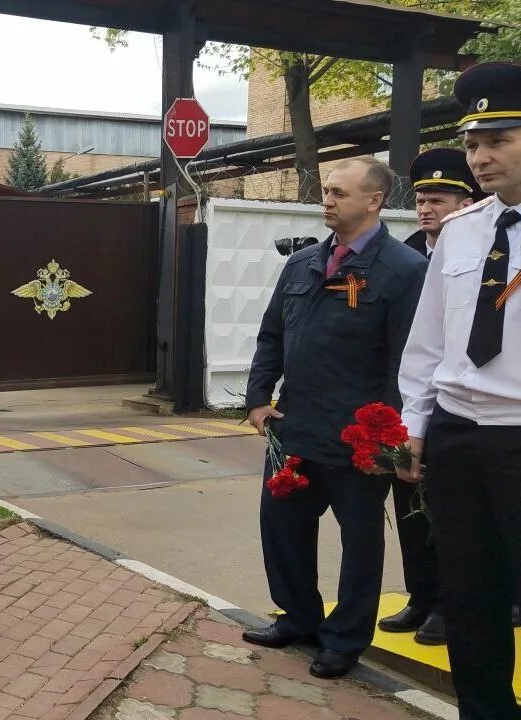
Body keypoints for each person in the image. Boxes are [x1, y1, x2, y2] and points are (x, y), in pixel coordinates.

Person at [242, 156, 427, 678]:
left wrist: (390, 445)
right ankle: (298, 617)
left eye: (339, 193)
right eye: (325, 191)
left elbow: (407, 363)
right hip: (295, 429)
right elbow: (271, 335)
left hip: (360, 439)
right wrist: (258, 399)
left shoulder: (404, 271)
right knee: (282, 529)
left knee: (360, 544)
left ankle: (344, 639)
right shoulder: (302, 265)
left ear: (374, 200)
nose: (327, 200)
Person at [398, 61, 521, 719]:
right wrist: (415, 426)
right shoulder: (464, 230)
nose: (480, 157)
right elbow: (427, 344)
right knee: (470, 597)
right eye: (474, 143)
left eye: (497, 139)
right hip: (456, 436)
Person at [380, 149, 484, 645]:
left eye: (438, 199)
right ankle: (421, 596)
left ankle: (448, 604)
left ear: (467, 202)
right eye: (421, 199)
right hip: (407, 403)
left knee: (450, 512)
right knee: (409, 506)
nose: (426, 209)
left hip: (462, 406)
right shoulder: (400, 258)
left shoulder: (490, 252)